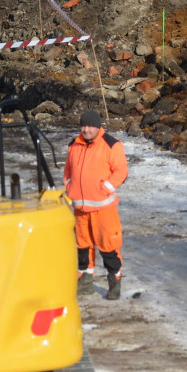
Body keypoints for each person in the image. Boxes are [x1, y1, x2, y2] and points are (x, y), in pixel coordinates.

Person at [63, 110, 128, 300]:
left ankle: (114, 282)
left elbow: (121, 171)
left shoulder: (111, 144)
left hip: (103, 208)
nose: (86, 129)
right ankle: (85, 280)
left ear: (98, 126)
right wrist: (69, 185)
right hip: (80, 208)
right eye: (83, 126)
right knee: (82, 246)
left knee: (108, 246)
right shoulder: (74, 144)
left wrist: (105, 187)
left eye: (90, 126)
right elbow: (68, 169)